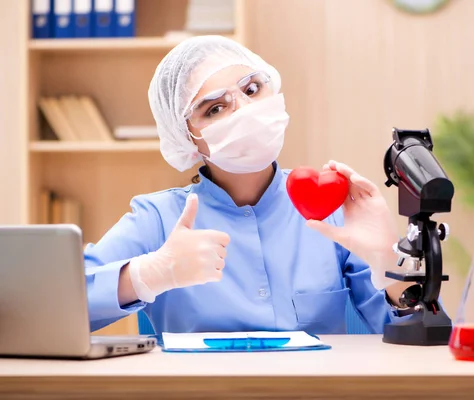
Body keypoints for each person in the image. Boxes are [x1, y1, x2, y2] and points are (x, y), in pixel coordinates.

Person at [84, 35, 411, 336]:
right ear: (187, 139)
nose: (245, 108)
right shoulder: (158, 219)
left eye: (252, 89)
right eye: (215, 108)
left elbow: (417, 339)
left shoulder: (334, 211)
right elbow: (55, 305)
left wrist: (391, 262)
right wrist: (147, 275)